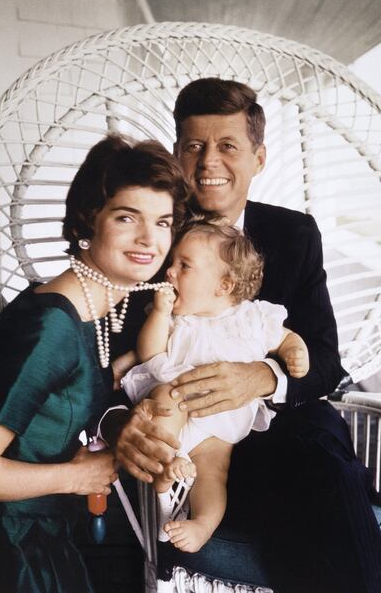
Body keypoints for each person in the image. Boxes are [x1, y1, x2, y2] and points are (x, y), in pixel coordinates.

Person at [104, 79, 381, 593]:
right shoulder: (150, 235)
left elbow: (325, 360)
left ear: (258, 157)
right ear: (177, 155)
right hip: (185, 445)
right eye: (194, 146)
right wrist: (115, 427)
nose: (208, 162)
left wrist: (264, 377)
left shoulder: (294, 234)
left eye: (228, 146)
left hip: (281, 433)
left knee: (323, 461)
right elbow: (101, 363)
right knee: (316, 509)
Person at [0, 134, 189, 592]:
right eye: (127, 217)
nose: (150, 239)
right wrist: (78, 474)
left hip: (41, 527)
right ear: (89, 222)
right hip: (1, 547)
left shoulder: (102, 310)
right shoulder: (48, 327)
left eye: (163, 222)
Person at [121, 218, 309, 553]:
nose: (170, 272)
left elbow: (286, 339)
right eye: (173, 262)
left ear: (222, 286)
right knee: (164, 402)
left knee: (212, 474)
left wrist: (295, 352)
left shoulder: (252, 319)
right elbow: (150, 354)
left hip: (220, 424)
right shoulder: (176, 317)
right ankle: (165, 464)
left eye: (185, 266)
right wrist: (160, 314)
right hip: (176, 405)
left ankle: (203, 524)